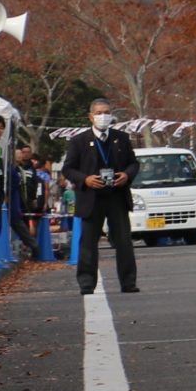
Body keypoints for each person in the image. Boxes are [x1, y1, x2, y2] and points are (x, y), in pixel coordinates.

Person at [62, 102, 140, 295]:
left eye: (106, 113)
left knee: (123, 241)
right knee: (88, 243)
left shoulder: (121, 138)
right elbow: (68, 168)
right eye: (98, 113)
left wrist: (127, 175)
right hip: (91, 197)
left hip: (117, 195)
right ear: (91, 117)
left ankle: (128, 282)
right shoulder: (79, 140)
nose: (103, 116)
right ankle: (87, 284)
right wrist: (85, 179)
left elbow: (133, 163)